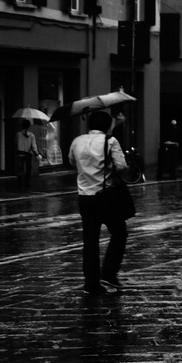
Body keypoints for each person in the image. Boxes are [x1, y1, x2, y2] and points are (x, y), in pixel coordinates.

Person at [69, 111, 130, 296]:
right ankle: (109, 272)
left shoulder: (77, 141)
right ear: (106, 125)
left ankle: (91, 283)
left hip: (84, 197)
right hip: (105, 196)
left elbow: (72, 161)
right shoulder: (110, 142)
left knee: (90, 241)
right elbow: (121, 166)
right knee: (119, 232)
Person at [15, 119, 38, 188]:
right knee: (28, 168)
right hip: (28, 153)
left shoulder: (18, 134)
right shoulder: (32, 135)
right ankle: (27, 182)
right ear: (29, 126)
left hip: (20, 153)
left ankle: (19, 181)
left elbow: (15, 143)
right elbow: (34, 146)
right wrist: (36, 153)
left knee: (20, 167)